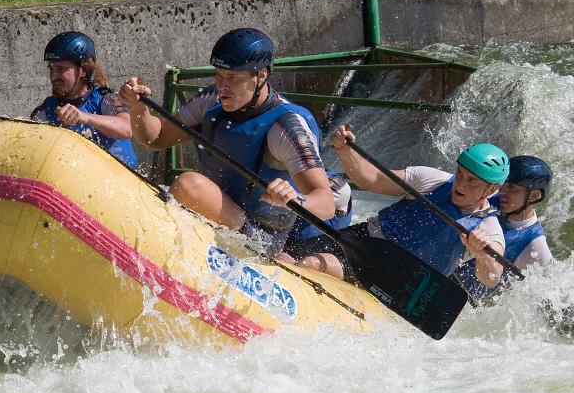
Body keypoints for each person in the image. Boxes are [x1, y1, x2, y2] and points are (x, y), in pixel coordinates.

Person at [119, 27, 336, 257]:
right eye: (219, 75)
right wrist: (138, 107)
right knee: (191, 187)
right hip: (213, 214)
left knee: (189, 185)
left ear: (261, 76)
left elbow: (326, 202)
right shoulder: (212, 100)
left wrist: (296, 199)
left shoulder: (287, 127)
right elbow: (155, 138)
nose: (223, 87)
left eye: (233, 78)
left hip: (259, 239)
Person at [290, 124, 509, 284]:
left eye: (472, 181)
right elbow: (372, 179)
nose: (460, 183)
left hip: (397, 277)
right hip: (363, 239)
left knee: (312, 264)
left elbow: (491, 277)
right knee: (284, 256)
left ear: (492, 190)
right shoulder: (432, 180)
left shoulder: (487, 228)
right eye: (460, 174)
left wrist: (483, 254)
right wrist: (345, 151)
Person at [31, 32, 138, 169]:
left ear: (83, 70)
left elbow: (127, 129)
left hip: (123, 181)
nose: (53, 76)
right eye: (51, 69)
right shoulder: (44, 112)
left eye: (61, 69)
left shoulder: (107, 99)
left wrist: (85, 117)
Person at [455, 155, 554, 301]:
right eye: (504, 184)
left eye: (512, 188)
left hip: (458, 299)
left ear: (533, 195)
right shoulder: (487, 196)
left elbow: (549, 301)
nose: (501, 191)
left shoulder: (535, 248)